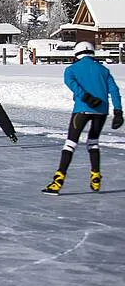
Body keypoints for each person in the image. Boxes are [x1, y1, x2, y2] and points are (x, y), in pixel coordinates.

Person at [43, 42, 123, 194]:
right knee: (93, 142)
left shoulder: (71, 69)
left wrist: (86, 97)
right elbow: (114, 90)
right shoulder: (103, 70)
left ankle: (58, 181)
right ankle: (96, 176)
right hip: (101, 111)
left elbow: (71, 83)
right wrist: (118, 111)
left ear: (76, 53)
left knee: (70, 143)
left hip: (82, 110)